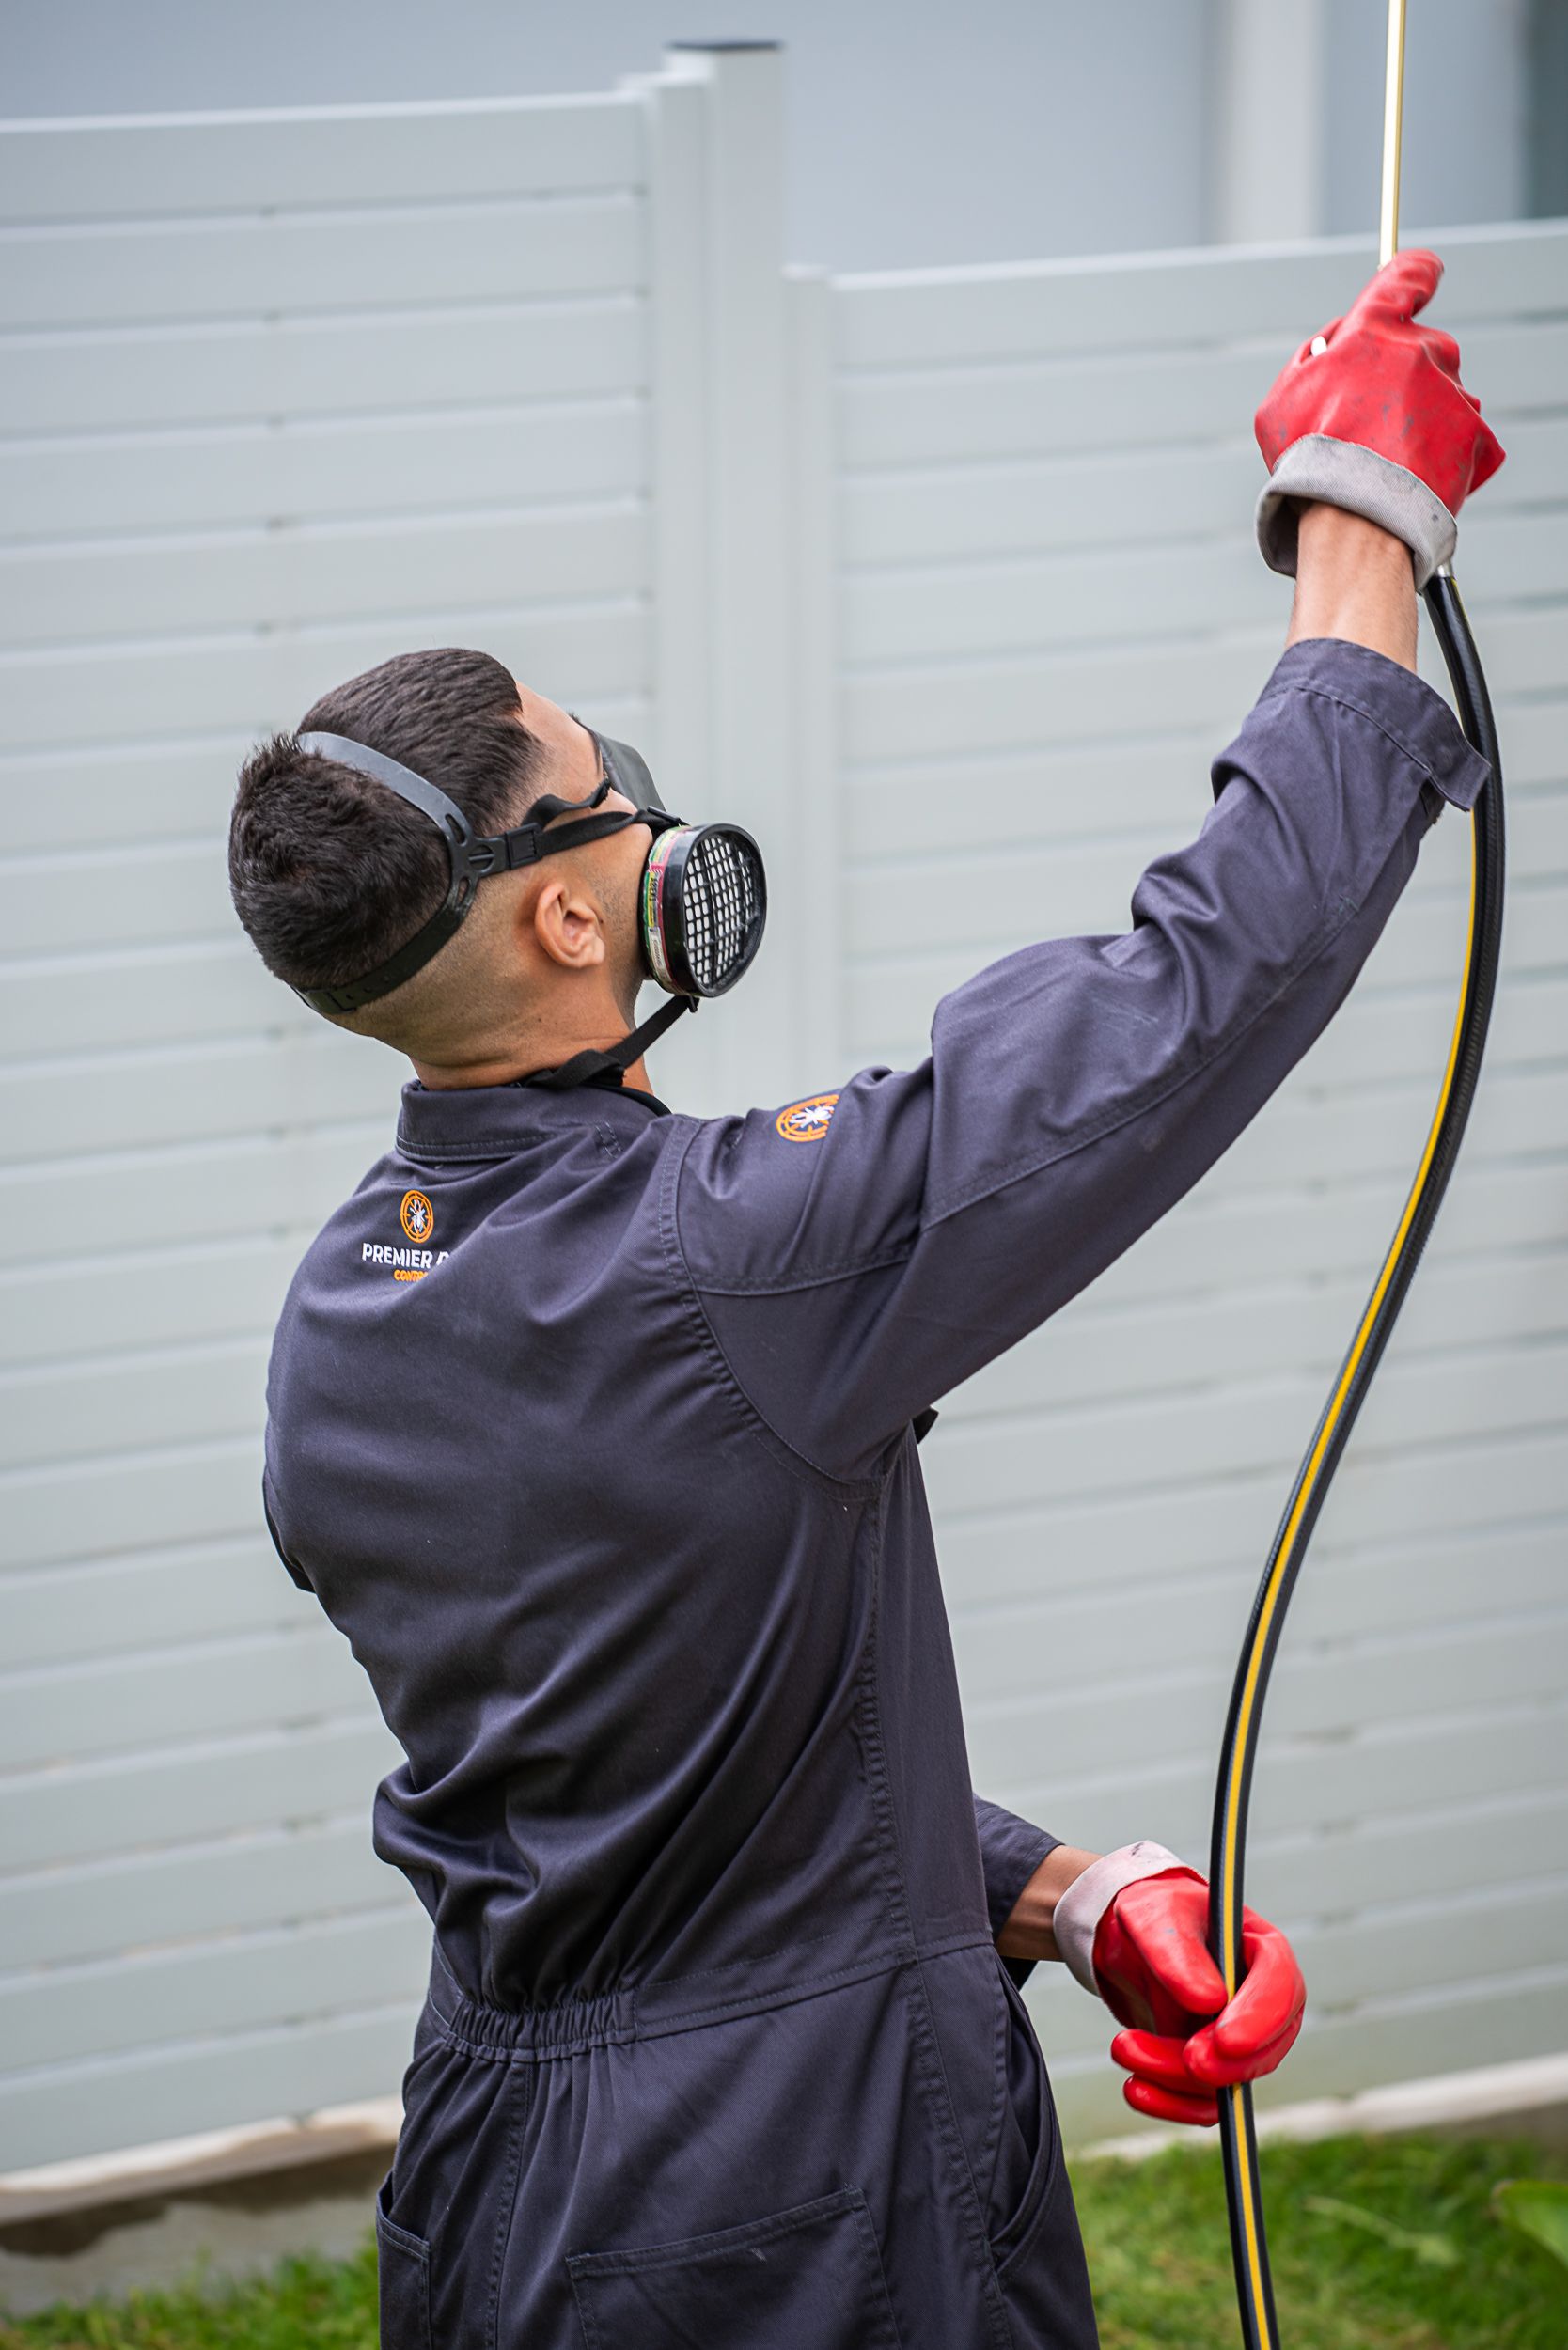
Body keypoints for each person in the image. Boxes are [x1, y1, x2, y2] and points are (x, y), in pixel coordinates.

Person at [229, 252, 1500, 2349]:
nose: (650, 789)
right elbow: (1196, 988)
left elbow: (645, 1789)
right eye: (606, 776)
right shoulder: (729, 1260)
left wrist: (1061, 1894)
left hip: (501, 2201)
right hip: (790, 2209)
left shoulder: (337, 1324)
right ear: (570, 906)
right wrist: (1358, 520)